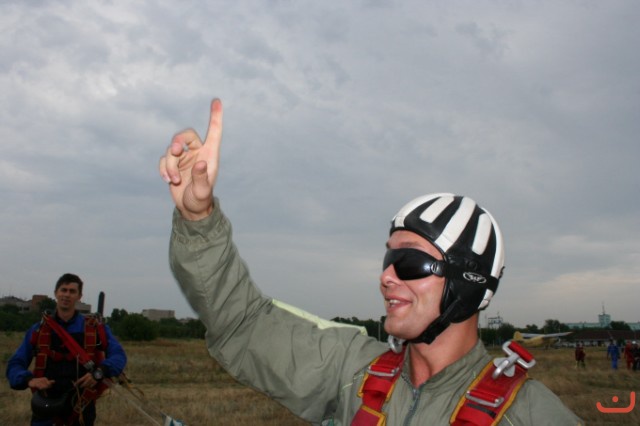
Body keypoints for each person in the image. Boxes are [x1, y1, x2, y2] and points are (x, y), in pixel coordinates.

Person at [159, 99, 582, 425]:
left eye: (409, 261)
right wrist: (198, 220)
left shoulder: (530, 415)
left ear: (467, 283)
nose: (386, 276)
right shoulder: (353, 370)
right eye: (388, 257)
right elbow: (242, 322)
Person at [6, 273, 127, 426]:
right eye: (63, 290)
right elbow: (15, 364)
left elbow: (119, 355)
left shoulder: (95, 329)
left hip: (81, 408)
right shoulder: (38, 330)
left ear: (79, 296)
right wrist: (29, 379)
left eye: (72, 291)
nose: (67, 295)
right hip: (46, 407)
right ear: (56, 293)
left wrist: (99, 372)